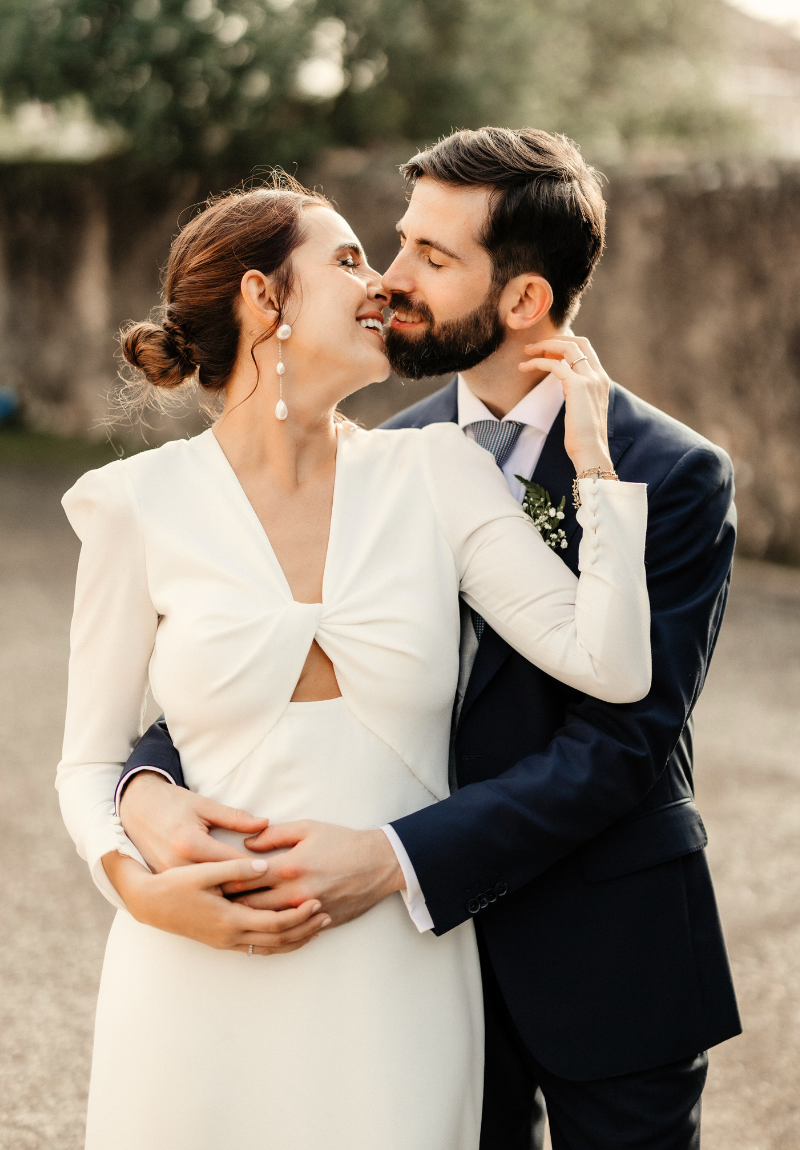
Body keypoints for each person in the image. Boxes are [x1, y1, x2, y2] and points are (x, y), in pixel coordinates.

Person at [119, 128, 742, 1150]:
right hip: (410, 967)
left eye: (431, 260)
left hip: (606, 951)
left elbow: (619, 744)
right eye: (397, 243)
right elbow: (262, 647)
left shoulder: (668, 473)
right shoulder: (384, 457)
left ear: (523, 302)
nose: (390, 280)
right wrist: (145, 777)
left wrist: (393, 857)